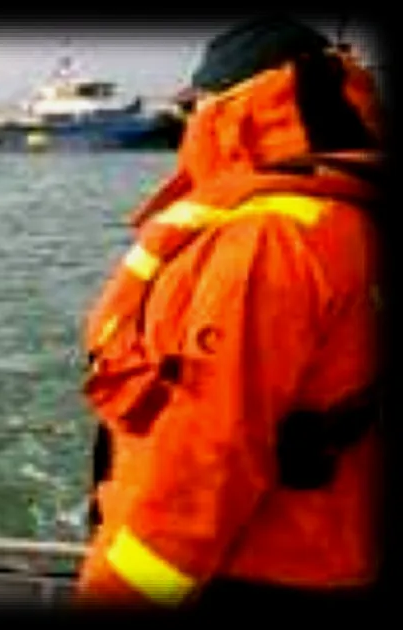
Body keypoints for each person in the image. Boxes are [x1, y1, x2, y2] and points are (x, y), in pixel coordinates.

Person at [75, 14, 384, 610]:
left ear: (228, 107)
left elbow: (204, 458)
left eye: (198, 104)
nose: (188, 119)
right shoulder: (343, 214)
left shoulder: (266, 239)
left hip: (251, 572)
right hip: (328, 553)